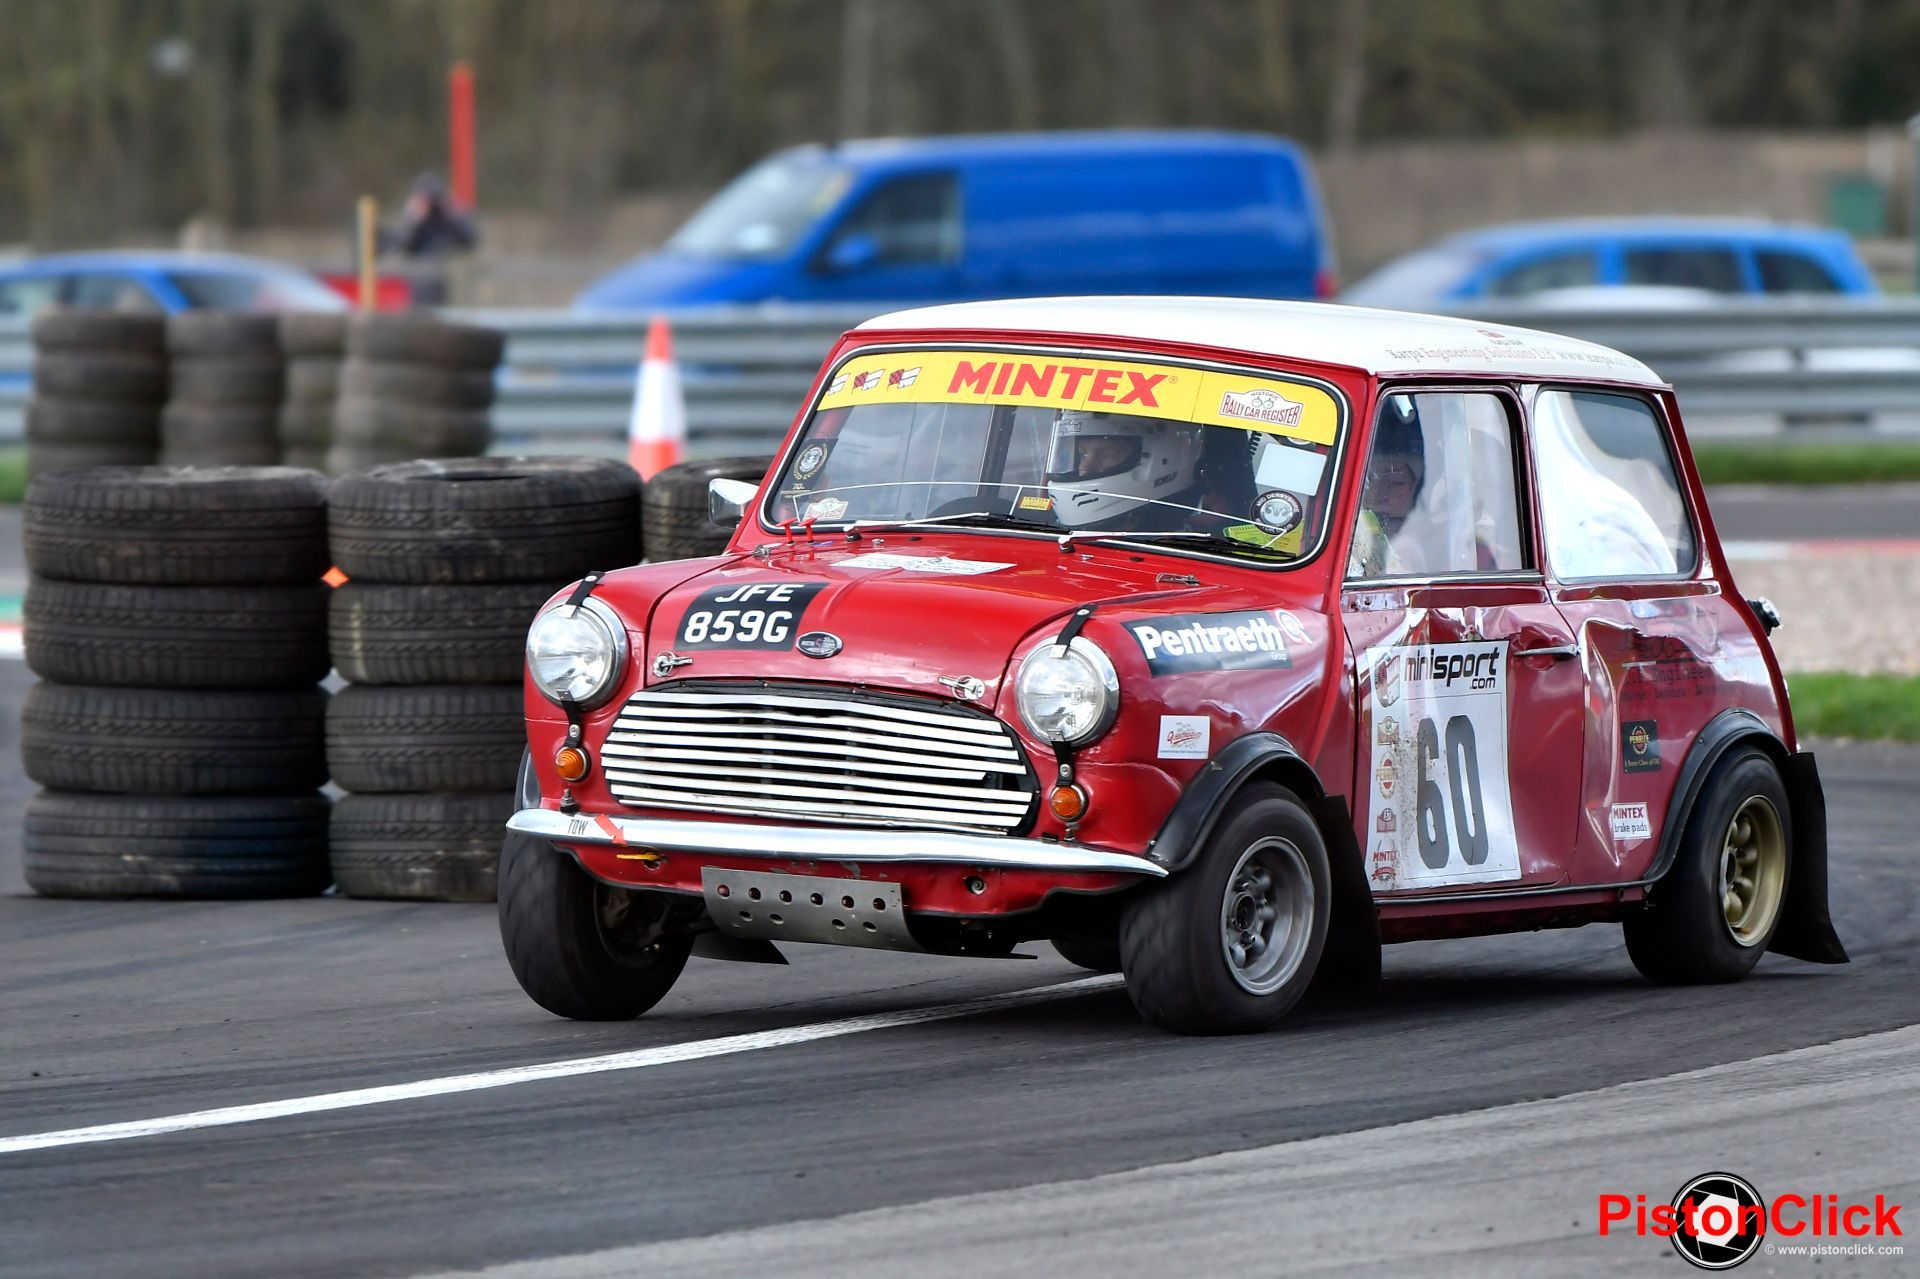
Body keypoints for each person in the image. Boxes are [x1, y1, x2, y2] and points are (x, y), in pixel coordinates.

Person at [1044, 410, 1209, 531]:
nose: (1084, 470)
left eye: (1107, 455)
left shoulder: (1202, 525)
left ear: (1163, 457)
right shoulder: (1045, 527)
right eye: (1082, 454)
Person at [1348, 400, 1428, 577]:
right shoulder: (1340, 533)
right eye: (1368, 480)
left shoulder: (1438, 547)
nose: (1378, 492)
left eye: (1395, 482)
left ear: (1420, 488)